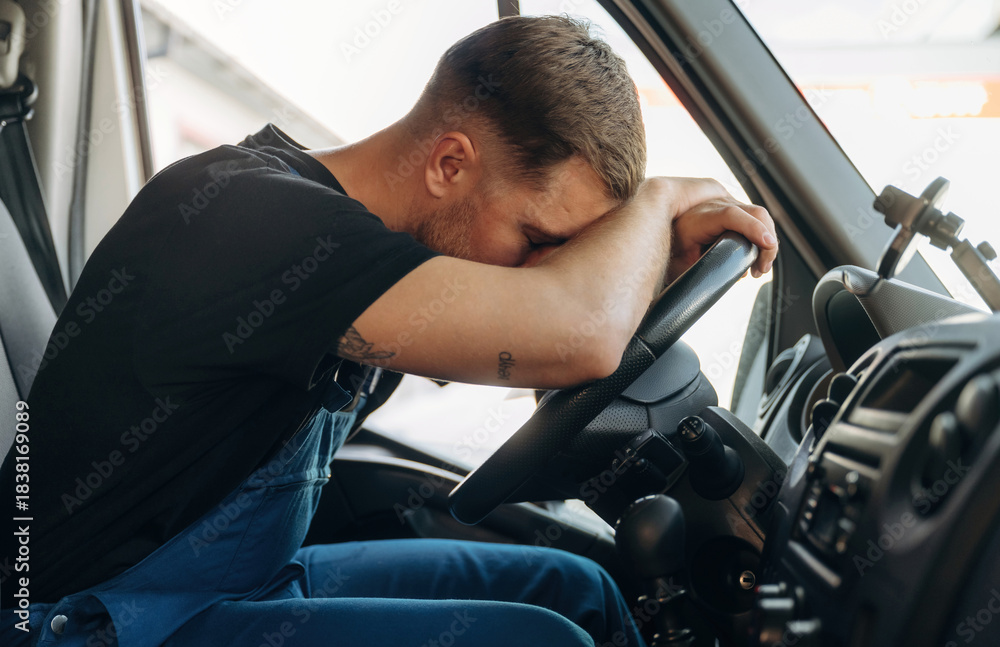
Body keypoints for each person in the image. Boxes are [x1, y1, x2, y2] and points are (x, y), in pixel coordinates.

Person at [0, 15, 777, 647]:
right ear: (448, 163)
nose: (537, 271)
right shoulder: (256, 219)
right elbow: (579, 334)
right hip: (83, 620)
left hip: (227, 584)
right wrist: (663, 197)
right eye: (538, 239)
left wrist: (643, 259)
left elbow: (567, 341)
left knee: (582, 594)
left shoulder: (395, 256)